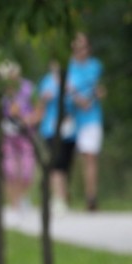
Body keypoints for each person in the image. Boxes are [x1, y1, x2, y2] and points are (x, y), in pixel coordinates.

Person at [67, 32, 104, 211]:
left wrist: (95, 96)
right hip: (70, 119)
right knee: (67, 160)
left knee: (89, 158)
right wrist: (80, 100)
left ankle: (91, 196)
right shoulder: (68, 68)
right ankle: (65, 195)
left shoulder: (96, 66)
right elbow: (68, 92)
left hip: (90, 119)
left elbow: (100, 90)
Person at [35, 60, 77, 215]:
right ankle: (58, 198)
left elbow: (78, 103)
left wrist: (72, 92)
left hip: (70, 129)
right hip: (51, 129)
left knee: (65, 165)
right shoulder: (46, 82)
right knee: (56, 163)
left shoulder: (71, 80)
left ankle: (63, 197)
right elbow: (40, 105)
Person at [0, 60, 37, 215]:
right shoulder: (0, 90)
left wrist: (27, 118)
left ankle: (23, 197)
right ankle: (13, 202)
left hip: (26, 132)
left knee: (27, 167)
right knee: (10, 169)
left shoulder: (28, 88)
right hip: (7, 134)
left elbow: (38, 108)